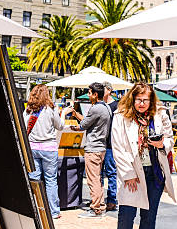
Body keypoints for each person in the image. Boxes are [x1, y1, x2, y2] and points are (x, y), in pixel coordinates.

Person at [110, 82, 176, 229]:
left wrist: (162, 144)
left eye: (145, 100)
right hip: (132, 173)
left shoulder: (160, 114)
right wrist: (128, 174)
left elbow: (169, 138)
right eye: (138, 100)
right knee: (126, 216)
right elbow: (118, 147)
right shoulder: (121, 117)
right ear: (132, 98)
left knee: (149, 217)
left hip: (154, 172)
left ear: (151, 100)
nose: (141, 104)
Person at [23, 84, 73, 219]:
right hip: (49, 149)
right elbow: (60, 126)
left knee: (34, 178)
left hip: (32, 148)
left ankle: (34, 209)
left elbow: (22, 127)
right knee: (51, 180)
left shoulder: (28, 110)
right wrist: (63, 113)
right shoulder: (50, 110)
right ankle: (53, 211)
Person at [71, 82, 112, 218]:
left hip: (93, 148)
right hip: (101, 147)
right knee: (97, 178)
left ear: (95, 94)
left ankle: (95, 209)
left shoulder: (95, 109)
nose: (88, 95)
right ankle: (100, 205)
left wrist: (75, 121)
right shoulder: (106, 107)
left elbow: (83, 125)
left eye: (89, 93)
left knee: (92, 179)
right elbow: (89, 124)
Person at [101, 81, 118, 212]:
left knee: (111, 172)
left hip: (111, 144)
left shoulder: (116, 106)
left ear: (109, 90)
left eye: (103, 90)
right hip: (100, 143)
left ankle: (111, 200)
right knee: (99, 173)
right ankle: (100, 199)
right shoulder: (100, 105)